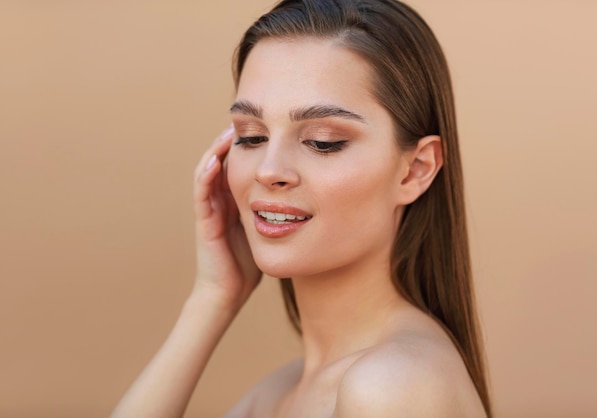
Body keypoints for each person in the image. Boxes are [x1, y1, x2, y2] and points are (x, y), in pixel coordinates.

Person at [111, 0, 491, 416]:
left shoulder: (395, 386)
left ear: (414, 170)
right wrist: (214, 297)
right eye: (251, 136)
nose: (269, 170)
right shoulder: (280, 391)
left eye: (322, 141)